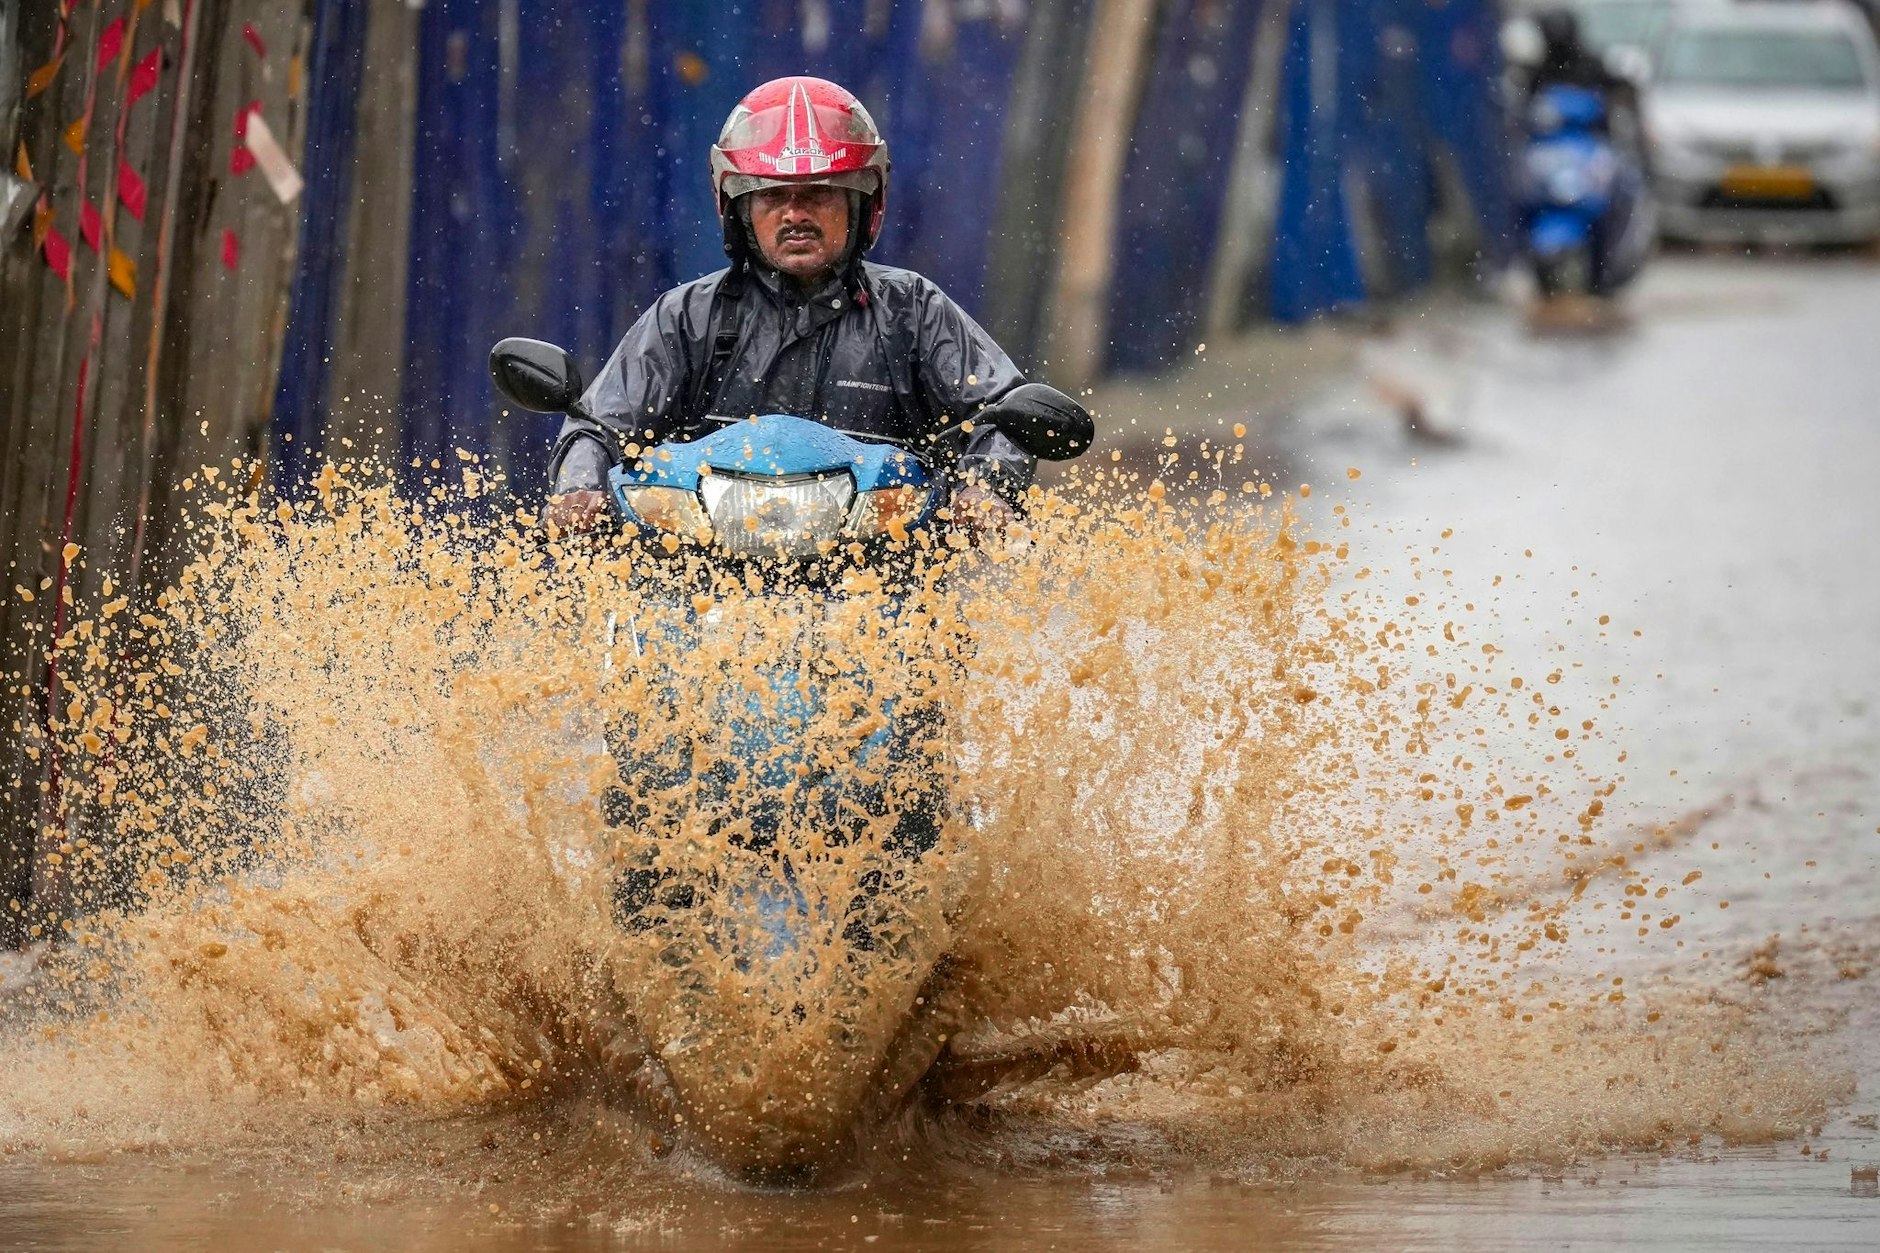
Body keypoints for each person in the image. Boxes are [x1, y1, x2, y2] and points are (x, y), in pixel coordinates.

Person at [545, 75, 1089, 535]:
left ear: (862, 205)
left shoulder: (913, 310)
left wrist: (986, 488)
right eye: (773, 196)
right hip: (694, 578)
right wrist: (580, 487)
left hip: (882, 585)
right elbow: (597, 426)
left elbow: (999, 412)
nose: (794, 214)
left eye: (818, 194)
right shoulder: (686, 316)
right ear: (736, 208)